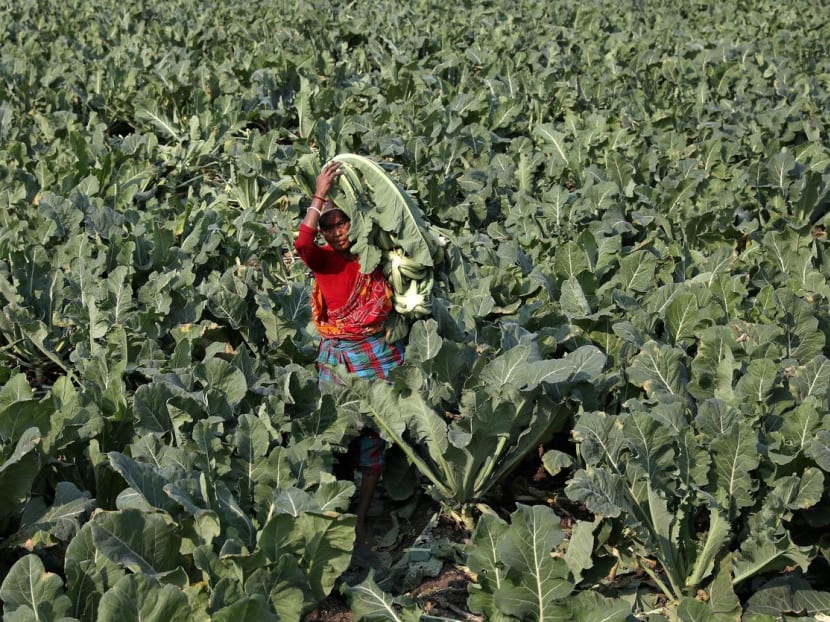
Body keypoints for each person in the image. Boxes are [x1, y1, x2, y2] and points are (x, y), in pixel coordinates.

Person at [294, 160, 404, 549]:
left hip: (376, 352)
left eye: (343, 223)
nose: (338, 232)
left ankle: (361, 518)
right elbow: (301, 244)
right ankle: (333, 512)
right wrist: (319, 193)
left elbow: (399, 225)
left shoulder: (372, 252)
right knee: (337, 432)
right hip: (338, 356)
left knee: (378, 431)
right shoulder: (323, 259)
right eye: (330, 226)